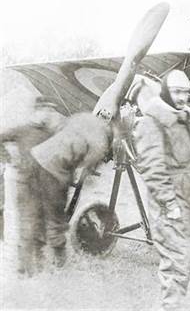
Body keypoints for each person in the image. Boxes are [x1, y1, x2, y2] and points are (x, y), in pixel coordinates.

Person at [133, 69, 190, 311]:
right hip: (171, 206)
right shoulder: (152, 122)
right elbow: (153, 168)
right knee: (176, 264)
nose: (182, 97)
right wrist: (170, 204)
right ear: (164, 92)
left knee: (183, 264)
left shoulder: (185, 120)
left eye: (185, 91)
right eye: (176, 91)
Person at [29, 112, 114, 268]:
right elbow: (89, 168)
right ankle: (59, 265)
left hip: (36, 158)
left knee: (38, 211)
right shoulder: (102, 140)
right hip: (54, 171)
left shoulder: (82, 118)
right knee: (57, 219)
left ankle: (36, 253)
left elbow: (58, 127)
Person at [0, 96, 64, 276]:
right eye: (47, 110)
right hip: (26, 187)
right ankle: (23, 271)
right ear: (38, 110)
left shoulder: (51, 134)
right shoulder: (22, 130)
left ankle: (39, 268)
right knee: (27, 228)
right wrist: (7, 158)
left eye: (52, 111)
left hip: (46, 188)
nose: (50, 114)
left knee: (41, 230)